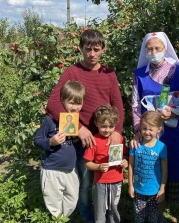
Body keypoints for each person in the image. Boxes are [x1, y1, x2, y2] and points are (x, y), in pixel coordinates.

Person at [46, 29, 124, 223]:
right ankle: (88, 216)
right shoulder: (73, 72)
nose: (92, 54)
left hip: (105, 138)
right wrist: (79, 127)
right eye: (88, 49)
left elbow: (118, 105)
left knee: (107, 180)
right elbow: (53, 104)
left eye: (96, 49)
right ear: (80, 48)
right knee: (84, 183)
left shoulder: (108, 73)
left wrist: (117, 132)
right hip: (82, 141)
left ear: (103, 49)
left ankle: (107, 215)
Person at [130, 32, 179, 220]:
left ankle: (161, 210)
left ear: (165, 49)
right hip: (147, 134)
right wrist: (138, 130)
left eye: (157, 48)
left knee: (169, 165)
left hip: (171, 131)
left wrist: (174, 112)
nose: (153, 52)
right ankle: (148, 207)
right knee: (149, 167)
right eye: (150, 49)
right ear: (145, 51)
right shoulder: (140, 75)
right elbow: (134, 104)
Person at [34, 81, 85, 218]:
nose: (74, 107)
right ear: (62, 100)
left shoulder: (79, 122)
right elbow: (37, 140)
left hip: (71, 170)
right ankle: (57, 219)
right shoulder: (50, 121)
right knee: (53, 202)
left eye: (78, 103)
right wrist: (51, 141)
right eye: (71, 103)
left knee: (72, 199)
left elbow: (78, 146)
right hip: (52, 170)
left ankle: (63, 218)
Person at [83, 104, 128, 223]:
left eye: (111, 126)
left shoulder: (119, 139)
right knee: (99, 209)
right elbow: (87, 163)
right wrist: (98, 166)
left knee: (114, 208)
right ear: (96, 123)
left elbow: (124, 155)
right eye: (103, 126)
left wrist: (125, 162)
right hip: (100, 182)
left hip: (116, 180)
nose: (107, 130)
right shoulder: (94, 140)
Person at [128, 111, 168, 223]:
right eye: (144, 128)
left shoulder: (161, 147)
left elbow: (164, 170)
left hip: (155, 192)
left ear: (159, 129)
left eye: (151, 129)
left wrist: (162, 189)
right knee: (139, 219)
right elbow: (130, 165)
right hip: (139, 191)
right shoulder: (135, 145)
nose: (147, 132)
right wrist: (130, 185)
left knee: (153, 219)